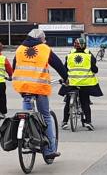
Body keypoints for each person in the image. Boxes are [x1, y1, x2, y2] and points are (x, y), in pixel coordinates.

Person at [12, 29, 67, 159]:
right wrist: (66, 78)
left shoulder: (20, 49)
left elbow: (15, 66)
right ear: (40, 39)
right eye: (44, 39)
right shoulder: (44, 49)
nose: (45, 41)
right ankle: (49, 151)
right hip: (39, 88)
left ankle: (26, 138)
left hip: (23, 87)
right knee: (46, 116)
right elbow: (58, 64)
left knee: (26, 115)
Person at [59, 38, 103, 131]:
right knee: (85, 102)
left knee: (67, 103)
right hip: (85, 83)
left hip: (72, 82)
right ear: (85, 46)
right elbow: (95, 70)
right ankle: (88, 122)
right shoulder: (89, 56)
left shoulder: (70, 56)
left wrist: (64, 78)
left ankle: (64, 122)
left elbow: (64, 69)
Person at [0, 42, 13, 119]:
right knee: (2, 98)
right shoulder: (3, 58)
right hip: (1, 82)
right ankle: (2, 112)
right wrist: (10, 76)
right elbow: (9, 69)